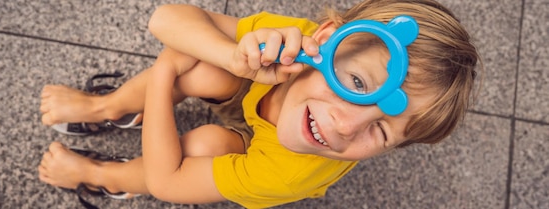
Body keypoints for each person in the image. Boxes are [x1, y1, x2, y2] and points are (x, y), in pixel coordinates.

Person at [38, 0, 480, 208]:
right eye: (359, 82)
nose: (346, 126)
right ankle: (108, 108)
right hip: (260, 96)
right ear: (325, 40)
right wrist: (233, 55)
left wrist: (163, 79)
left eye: (381, 130)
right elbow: (166, 18)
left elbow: (169, 182)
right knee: (207, 66)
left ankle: (104, 175)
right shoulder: (296, 42)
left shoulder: (288, 174)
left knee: (201, 145)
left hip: (255, 146)